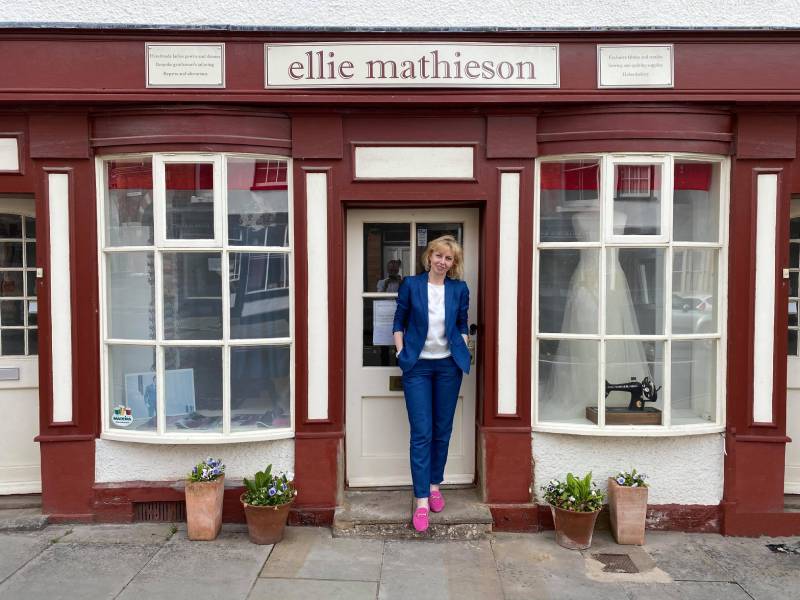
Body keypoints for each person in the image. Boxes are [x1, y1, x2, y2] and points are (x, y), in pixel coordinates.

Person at [392, 235, 471, 532]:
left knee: (442, 430)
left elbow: (462, 323)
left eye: (448, 258)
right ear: (429, 257)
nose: (442, 261)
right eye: (438, 255)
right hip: (418, 367)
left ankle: (435, 485)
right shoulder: (412, 285)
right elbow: (398, 321)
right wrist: (401, 352)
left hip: (448, 366)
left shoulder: (459, 289)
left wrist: (463, 346)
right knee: (421, 433)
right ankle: (422, 499)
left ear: (453, 263)